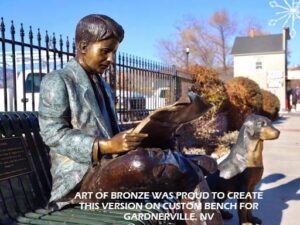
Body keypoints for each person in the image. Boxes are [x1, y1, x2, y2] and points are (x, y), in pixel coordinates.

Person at [39, 14, 223, 225]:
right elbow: (53, 133)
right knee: (149, 164)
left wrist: (154, 132)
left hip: (110, 168)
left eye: (114, 52)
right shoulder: (58, 80)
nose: (111, 59)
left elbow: (113, 131)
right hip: (80, 182)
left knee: (198, 165)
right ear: (83, 46)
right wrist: (105, 145)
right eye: (105, 51)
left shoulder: (103, 86)